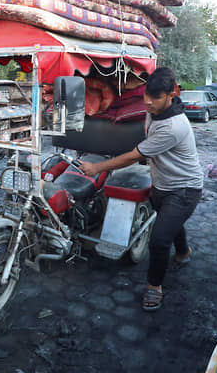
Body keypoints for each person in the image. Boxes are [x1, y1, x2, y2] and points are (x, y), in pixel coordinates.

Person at [79, 67, 203, 312]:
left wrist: (97, 167)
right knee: (171, 224)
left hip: (184, 189)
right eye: (146, 95)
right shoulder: (154, 112)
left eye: (155, 97)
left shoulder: (173, 126)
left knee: (158, 240)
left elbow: (134, 156)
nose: (147, 101)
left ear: (170, 95)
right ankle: (183, 253)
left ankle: (154, 287)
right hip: (162, 184)